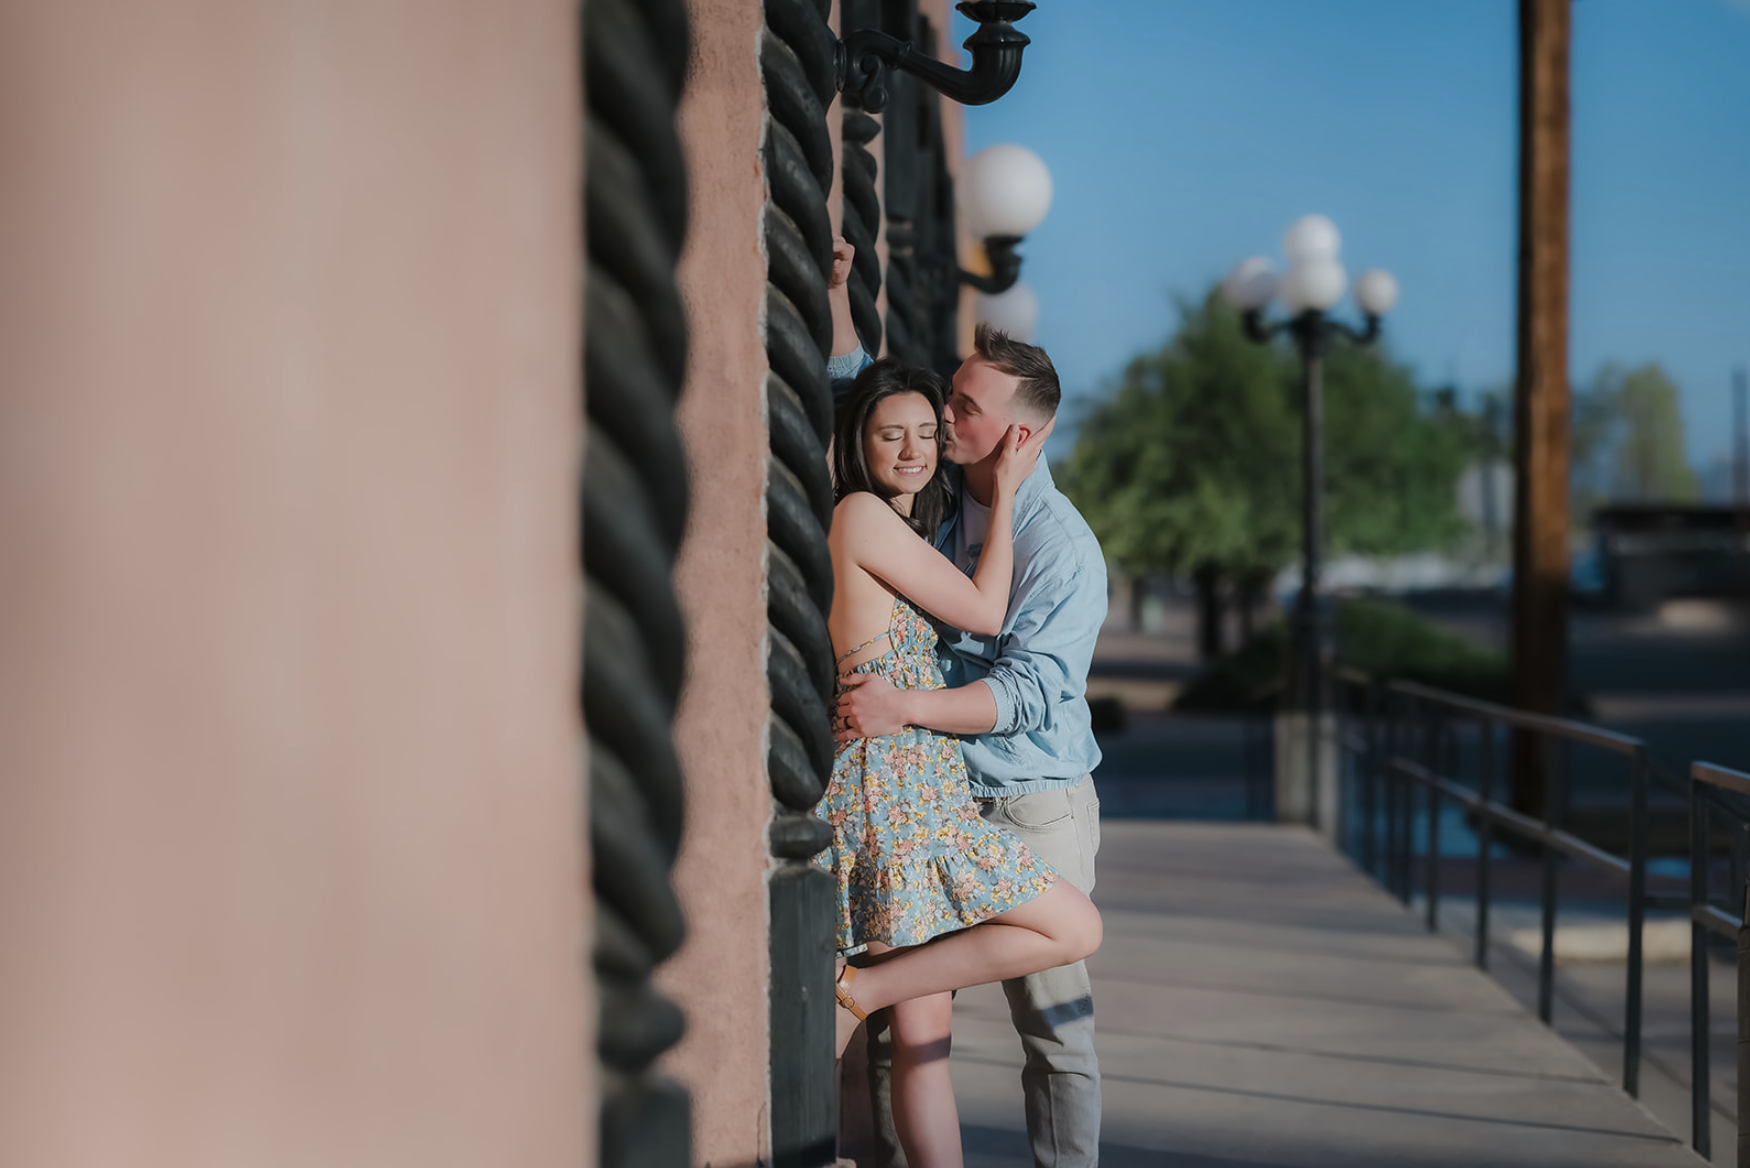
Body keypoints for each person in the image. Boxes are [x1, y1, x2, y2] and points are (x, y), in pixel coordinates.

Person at [829, 243, 1109, 1168]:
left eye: (962, 409)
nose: (940, 420)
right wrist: (835, 295)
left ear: (1022, 435)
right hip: (931, 794)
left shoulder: (1058, 547)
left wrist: (905, 705)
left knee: (1053, 1029)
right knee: (914, 1032)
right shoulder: (940, 498)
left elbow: (1030, 692)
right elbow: (864, 407)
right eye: (946, 399)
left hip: (1030, 800)